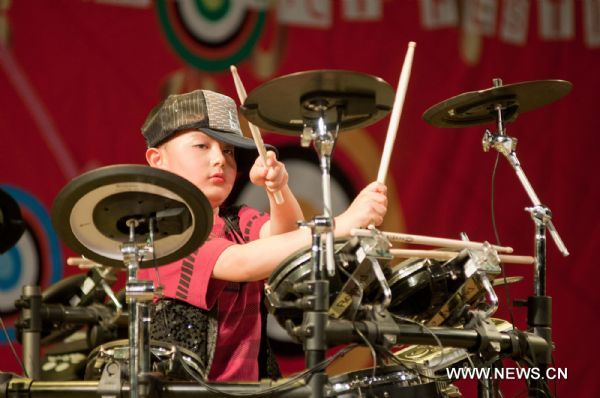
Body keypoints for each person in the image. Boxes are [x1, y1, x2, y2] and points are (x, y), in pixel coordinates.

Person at [137, 89, 387, 382]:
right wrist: (343, 224)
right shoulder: (163, 236)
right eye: (202, 146)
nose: (219, 159)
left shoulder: (237, 221)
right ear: (157, 159)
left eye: (228, 150)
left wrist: (277, 188)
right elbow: (241, 262)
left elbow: (288, 242)